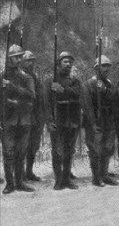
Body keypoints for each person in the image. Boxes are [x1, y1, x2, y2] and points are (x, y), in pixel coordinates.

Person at [44, 51, 81, 190]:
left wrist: (63, 89)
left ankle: (66, 179)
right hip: (57, 120)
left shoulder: (75, 80)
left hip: (71, 120)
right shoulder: (50, 81)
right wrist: (49, 121)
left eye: (70, 62)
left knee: (69, 151)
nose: (69, 64)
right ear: (59, 63)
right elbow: (46, 103)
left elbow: (78, 94)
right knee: (57, 151)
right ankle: (58, 179)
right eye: (65, 62)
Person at [0, 44, 35, 194]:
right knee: (8, 152)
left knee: (21, 151)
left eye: (20, 57)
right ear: (10, 59)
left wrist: (12, 87)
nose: (18, 60)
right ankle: (10, 184)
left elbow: (32, 95)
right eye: (15, 57)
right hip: (8, 119)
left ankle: (20, 182)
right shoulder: (3, 76)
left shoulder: (26, 76)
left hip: (24, 119)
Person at [82, 54, 119, 187]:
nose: (107, 69)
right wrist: (92, 123)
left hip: (108, 121)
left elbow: (115, 98)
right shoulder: (88, 84)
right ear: (96, 68)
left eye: (108, 66)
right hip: (96, 122)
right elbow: (87, 106)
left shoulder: (108, 84)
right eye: (104, 66)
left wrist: (103, 90)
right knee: (95, 149)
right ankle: (96, 177)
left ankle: (104, 174)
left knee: (108, 148)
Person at [21, 50, 44, 182]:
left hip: (35, 115)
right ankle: (20, 173)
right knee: (22, 145)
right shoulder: (18, 76)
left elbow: (40, 95)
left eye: (32, 60)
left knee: (33, 145)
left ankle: (29, 171)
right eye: (28, 60)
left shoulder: (34, 76)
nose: (31, 63)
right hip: (23, 115)